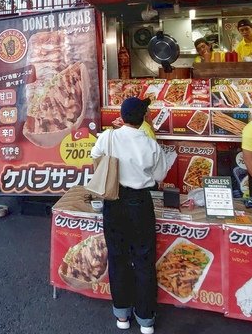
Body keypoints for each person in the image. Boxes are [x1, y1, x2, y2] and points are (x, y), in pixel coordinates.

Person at [90, 97, 173, 334]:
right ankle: (146, 319)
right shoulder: (151, 145)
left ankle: (122, 315)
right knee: (144, 258)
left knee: (118, 256)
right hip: (140, 203)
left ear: (122, 116)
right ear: (143, 118)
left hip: (113, 201)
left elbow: (95, 156)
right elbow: (159, 176)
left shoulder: (108, 137)